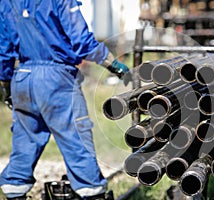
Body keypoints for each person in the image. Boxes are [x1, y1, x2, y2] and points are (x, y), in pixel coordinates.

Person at [0, 0, 131, 199]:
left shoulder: (7, 2)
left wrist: (6, 84)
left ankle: (14, 190)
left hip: (23, 77)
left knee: (25, 140)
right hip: (56, 78)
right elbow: (82, 40)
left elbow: (4, 48)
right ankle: (91, 191)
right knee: (75, 137)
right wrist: (115, 65)